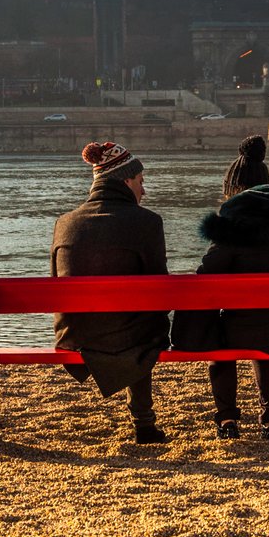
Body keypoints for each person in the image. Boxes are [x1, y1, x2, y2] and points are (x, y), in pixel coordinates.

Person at [50, 140, 170, 444]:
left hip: (77, 337)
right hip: (132, 338)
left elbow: (55, 284)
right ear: (126, 180)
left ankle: (142, 419)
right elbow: (161, 288)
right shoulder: (147, 222)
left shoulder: (65, 224)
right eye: (141, 182)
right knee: (141, 325)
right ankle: (143, 421)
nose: (144, 191)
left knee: (132, 321)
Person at [193, 177, 269, 441]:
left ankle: (227, 420)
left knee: (221, 347)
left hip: (240, 329)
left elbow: (205, 275)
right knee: (266, 345)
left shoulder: (233, 233)